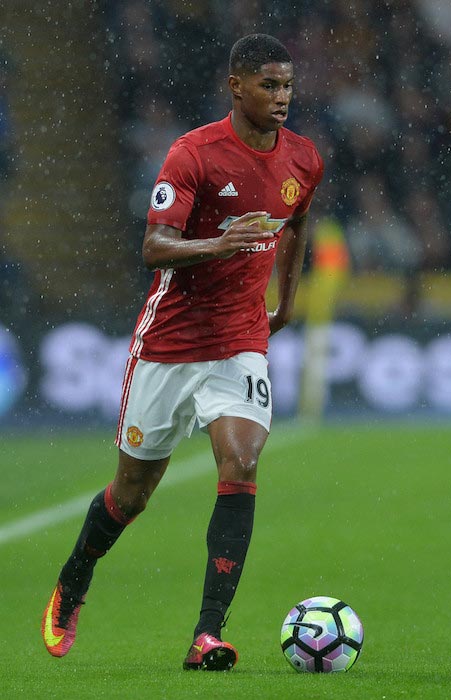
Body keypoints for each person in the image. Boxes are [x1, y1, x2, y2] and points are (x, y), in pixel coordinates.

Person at [41, 33, 323, 671]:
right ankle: (75, 575)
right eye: (269, 86)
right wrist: (218, 247)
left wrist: (290, 302)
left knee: (242, 462)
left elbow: (300, 220)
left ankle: (207, 635)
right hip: (169, 342)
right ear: (236, 86)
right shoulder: (194, 154)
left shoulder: (303, 159)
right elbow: (155, 247)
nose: (281, 98)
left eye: (287, 86)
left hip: (241, 339)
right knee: (132, 494)